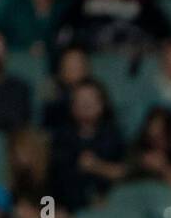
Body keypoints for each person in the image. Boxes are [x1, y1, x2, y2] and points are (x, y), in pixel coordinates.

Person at [49, 79, 127, 211]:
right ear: (72, 106)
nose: (85, 104)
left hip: (109, 211)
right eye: (80, 99)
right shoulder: (60, 138)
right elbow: (49, 187)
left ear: (102, 104)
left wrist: (97, 166)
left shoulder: (115, 136)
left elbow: (127, 173)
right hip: (66, 214)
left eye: (90, 99)